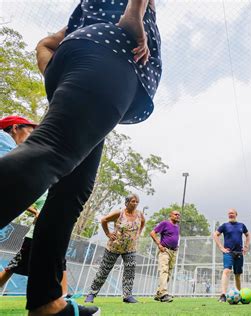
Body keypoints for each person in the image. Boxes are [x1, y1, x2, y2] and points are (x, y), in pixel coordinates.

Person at [0, 0, 161, 314]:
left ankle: (47, 302)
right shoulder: (123, 13)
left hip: (83, 62)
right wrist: (134, 15)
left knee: (72, 191)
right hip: (112, 58)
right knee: (52, 151)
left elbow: (44, 45)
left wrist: (59, 76)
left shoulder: (87, 13)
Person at [0, 116, 68, 295]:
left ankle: (62, 295)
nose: (32, 136)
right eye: (30, 131)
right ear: (15, 128)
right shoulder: (4, 141)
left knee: (58, 261)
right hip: (34, 234)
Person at [84, 194, 145, 304]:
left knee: (130, 272)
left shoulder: (140, 214)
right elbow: (104, 220)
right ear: (127, 202)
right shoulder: (119, 213)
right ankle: (91, 294)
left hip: (130, 248)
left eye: (137, 202)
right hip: (114, 247)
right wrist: (108, 233)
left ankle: (127, 296)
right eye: (133, 201)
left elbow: (143, 222)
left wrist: (138, 234)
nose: (135, 203)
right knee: (104, 270)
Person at [213, 208, 251, 303]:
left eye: (232, 213)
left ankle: (239, 295)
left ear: (236, 214)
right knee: (226, 270)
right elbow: (215, 235)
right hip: (228, 253)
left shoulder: (241, 225)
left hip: (239, 253)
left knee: (237, 275)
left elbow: (248, 235)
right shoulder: (225, 226)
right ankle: (223, 295)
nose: (230, 215)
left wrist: (246, 246)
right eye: (229, 213)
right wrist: (221, 248)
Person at [150, 210, 181, 303]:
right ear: (170, 215)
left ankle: (159, 293)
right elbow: (152, 233)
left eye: (179, 215)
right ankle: (164, 294)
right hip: (165, 251)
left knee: (169, 273)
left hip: (174, 252)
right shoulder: (165, 223)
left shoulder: (177, 227)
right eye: (175, 214)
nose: (177, 216)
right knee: (164, 270)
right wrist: (159, 245)